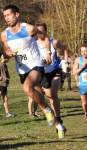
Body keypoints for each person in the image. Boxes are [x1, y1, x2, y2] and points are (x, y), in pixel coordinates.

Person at [0, 5, 64, 139]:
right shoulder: (4, 34)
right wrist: (7, 56)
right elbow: (6, 52)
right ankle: (58, 123)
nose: (6, 18)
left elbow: (45, 38)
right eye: (4, 16)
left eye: (9, 15)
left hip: (36, 65)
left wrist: (47, 53)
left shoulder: (28, 28)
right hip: (22, 69)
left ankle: (47, 111)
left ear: (17, 14)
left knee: (27, 88)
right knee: (36, 95)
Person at [35, 22, 68, 130]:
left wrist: (65, 62)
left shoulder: (53, 42)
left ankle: (58, 117)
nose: (39, 33)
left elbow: (65, 48)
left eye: (41, 31)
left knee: (53, 94)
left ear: (46, 31)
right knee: (49, 97)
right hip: (43, 73)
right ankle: (55, 117)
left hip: (55, 71)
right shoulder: (34, 44)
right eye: (37, 31)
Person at [73, 44, 87, 126]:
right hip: (82, 84)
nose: (84, 53)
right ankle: (86, 113)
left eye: (85, 51)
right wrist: (82, 66)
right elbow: (74, 72)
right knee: (84, 103)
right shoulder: (78, 60)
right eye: (82, 51)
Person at [0, 53, 14, 117]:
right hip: (1, 84)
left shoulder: (4, 64)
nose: (5, 58)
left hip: (4, 83)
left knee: (5, 98)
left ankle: (7, 113)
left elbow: (7, 59)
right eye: (3, 57)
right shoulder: (1, 64)